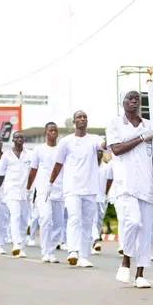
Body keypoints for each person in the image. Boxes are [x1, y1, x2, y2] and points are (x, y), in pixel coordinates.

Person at [106, 91, 153, 288]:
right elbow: (116, 149)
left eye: (137, 98)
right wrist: (141, 138)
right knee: (133, 222)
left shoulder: (149, 125)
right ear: (123, 102)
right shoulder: (115, 123)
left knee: (147, 230)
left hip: (147, 183)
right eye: (130, 98)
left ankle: (140, 274)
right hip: (126, 183)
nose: (134, 101)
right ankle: (126, 259)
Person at [49, 110, 104, 268]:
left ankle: (84, 256)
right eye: (79, 117)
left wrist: (112, 136)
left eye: (85, 117)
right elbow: (58, 163)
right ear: (74, 122)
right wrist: (50, 183)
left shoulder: (94, 139)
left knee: (87, 222)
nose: (82, 119)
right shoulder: (66, 141)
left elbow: (104, 146)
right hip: (72, 188)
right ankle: (73, 251)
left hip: (90, 188)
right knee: (74, 218)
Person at [26, 122, 64, 263]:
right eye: (50, 130)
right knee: (46, 219)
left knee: (59, 224)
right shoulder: (39, 150)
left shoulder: (61, 149)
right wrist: (28, 188)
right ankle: (46, 251)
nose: (53, 133)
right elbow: (33, 170)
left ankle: (51, 250)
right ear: (46, 133)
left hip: (59, 190)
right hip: (43, 190)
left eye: (55, 130)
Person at [0, 132, 33, 257]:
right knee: (15, 216)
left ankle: (20, 246)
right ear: (13, 140)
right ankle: (16, 244)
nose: (19, 139)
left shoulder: (29, 155)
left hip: (25, 192)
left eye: (21, 137)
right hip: (11, 191)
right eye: (16, 137)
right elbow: (1, 174)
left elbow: (34, 172)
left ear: (24, 139)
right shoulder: (6, 155)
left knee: (24, 219)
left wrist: (30, 189)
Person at [92, 150, 113, 254]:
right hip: (91, 197)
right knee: (93, 220)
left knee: (99, 221)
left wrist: (106, 193)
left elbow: (110, 180)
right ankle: (95, 241)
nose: (99, 153)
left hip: (103, 198)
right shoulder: (89, 166)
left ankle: (94, 240)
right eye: (97, 152)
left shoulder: (107, 166)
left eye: (100, 151)